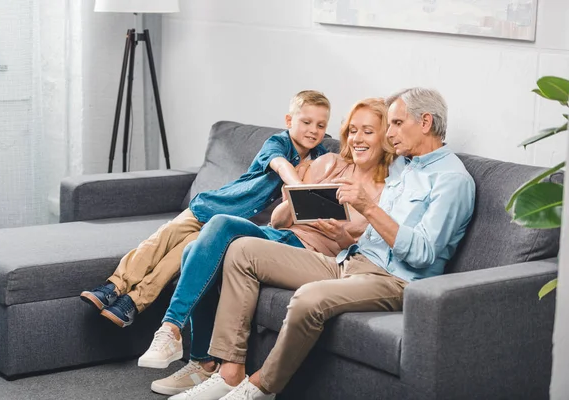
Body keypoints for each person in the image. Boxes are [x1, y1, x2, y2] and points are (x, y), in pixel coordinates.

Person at [172, 87, 476, 400]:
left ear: (425, 122)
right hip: (350, 261)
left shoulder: (452, 181)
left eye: (396, 123)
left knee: (307, 298)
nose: (389, 133)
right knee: (242, 250)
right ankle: (231, 371)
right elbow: (356, 151)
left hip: (395, 280)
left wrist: (368, 208)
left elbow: (423, 254)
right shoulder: (404, 164)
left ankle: (261, 387)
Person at [137, 98, 396, 396]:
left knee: (211, 234)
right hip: (279, 235)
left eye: (367, 131)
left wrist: (339, 233)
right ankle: (194, 355)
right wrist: (295, 202)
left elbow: (356, 249)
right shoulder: (329, 162)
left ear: (385, 136)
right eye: (352, 130)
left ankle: (184, 342)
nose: (357, 138)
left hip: (309, 254)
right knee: (198, 244)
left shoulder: (387, 190)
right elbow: (278, 220)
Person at [79, 90, 331, 327]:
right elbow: (280, 165)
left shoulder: (320, 158)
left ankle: (133, 303)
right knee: (162, 239)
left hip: (226, 228)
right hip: (215, 205)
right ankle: (114, 286)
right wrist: (300, 186)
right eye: (306, 122)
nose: (313, 130)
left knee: (179, 258)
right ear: (289, 120)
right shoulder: (277, 143)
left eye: (321, 125)